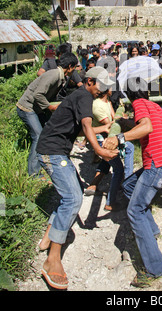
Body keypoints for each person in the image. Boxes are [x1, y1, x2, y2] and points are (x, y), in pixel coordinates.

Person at [36, 67, 119, 290]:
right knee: (73, 199)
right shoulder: (83, 95)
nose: (102, 90)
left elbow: (77, 130)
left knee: (72, 194)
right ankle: (52, 259)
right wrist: (100, 151)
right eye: (100, 85)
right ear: (89, 81)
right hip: (51, 151)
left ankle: (47, 238)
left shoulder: (79, 96)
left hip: (56, 149)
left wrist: (101, 128)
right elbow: (84, 125)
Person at [103, 76, 162, 287]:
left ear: (129, 95)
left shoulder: (139, 104)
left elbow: (146, 127)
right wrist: (125, 123)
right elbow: (143, 123)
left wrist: (119, 137)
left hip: (156, 163)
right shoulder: (153, 105)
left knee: (134, 210)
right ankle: (151, 230)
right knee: (129, 185)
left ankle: (156, 268)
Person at [16, 52, 78, 176]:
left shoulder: (60, 76)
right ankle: (34, 173)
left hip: (36, 109)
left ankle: (45, 164)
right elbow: (38, 94)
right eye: (75, 67)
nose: (76, 70)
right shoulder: (54, 75)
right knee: (38, 136)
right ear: (70, 66)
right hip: (27, 108)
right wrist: (50, 107)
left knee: (47, 133)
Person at [84, 81, 134, 210]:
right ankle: (111, 201)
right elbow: (111, 124)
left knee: (128, 148)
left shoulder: (108, 102)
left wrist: (120, 119)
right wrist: (121, 120)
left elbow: (115, 117)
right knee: (118, 168)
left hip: (109, 137)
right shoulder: (98, 106)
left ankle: (99, 184)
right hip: (104, 141)